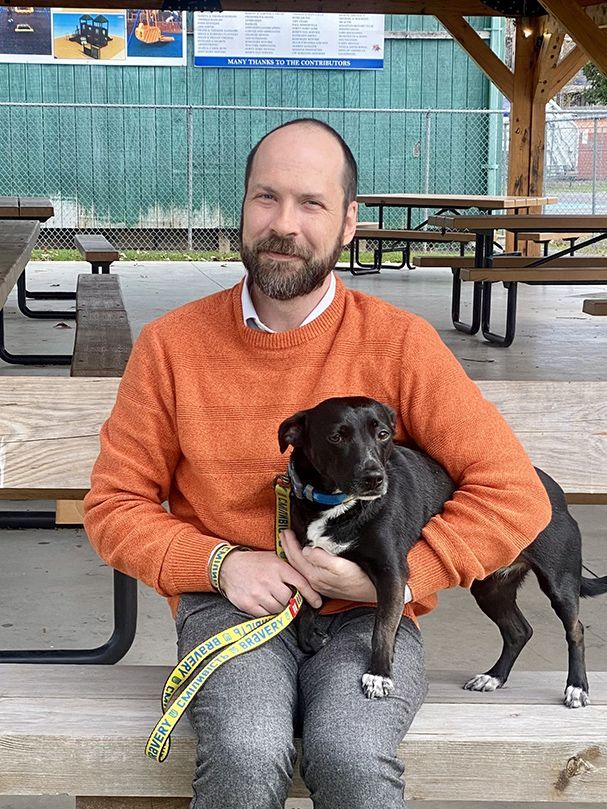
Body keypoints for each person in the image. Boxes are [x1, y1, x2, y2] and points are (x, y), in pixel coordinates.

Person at [84, 118, 551, 809]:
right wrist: (220, 563)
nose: (283, 224)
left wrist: (400, 579)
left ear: (348, 223)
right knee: (245, 750)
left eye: (311, 203)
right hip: (230, 609)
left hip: (369, 620)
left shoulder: (400, 344)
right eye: (264, 198)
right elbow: (113, 507)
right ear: (241, 207)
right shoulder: (171, 346)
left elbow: (516, 495)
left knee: (352, 754)